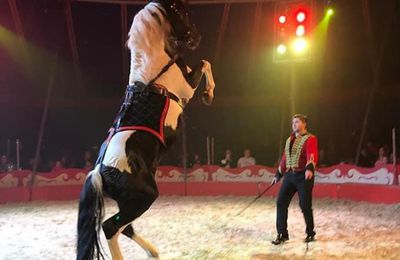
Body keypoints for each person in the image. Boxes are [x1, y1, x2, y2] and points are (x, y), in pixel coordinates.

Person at [271, 114, 318, 245]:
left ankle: (310, 233)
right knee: (281, 202)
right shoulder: (289, 140)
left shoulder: (311, 138)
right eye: (293, 122)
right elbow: (285, 158)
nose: (294, 124)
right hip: (290, 176)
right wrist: (278, 175)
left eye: (297, 122)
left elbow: (312, 154)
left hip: (303, 176)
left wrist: (309, 168)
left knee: (305, 205)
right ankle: (282, 233)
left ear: (304, 124)